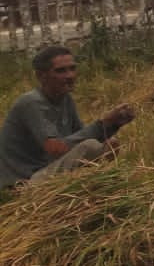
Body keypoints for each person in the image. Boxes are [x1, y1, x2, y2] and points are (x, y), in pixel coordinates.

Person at [1, 45, 135, 193]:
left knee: (110, 145)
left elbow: (79, 138)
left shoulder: (65, 99)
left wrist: (112, 125)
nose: (70, 75)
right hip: (24, 183)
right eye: (60, 71)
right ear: (41, 76)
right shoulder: (31, 103)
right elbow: (56, 149)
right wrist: (103, 124)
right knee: (90, 146)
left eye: (72, 69)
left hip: (46, 171)